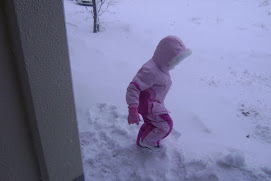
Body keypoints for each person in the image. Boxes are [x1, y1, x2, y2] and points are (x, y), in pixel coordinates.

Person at [126, 35, 192, 150]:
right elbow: (134, 87)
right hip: (149, 107)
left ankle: (141, 141)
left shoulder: (160, 66)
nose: (176, 64)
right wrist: (132, 109)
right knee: (166, 125)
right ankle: (148, 142)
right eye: (174, 60)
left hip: (153, 104)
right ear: (165, 56)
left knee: (151, 124)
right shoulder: (151, 71)